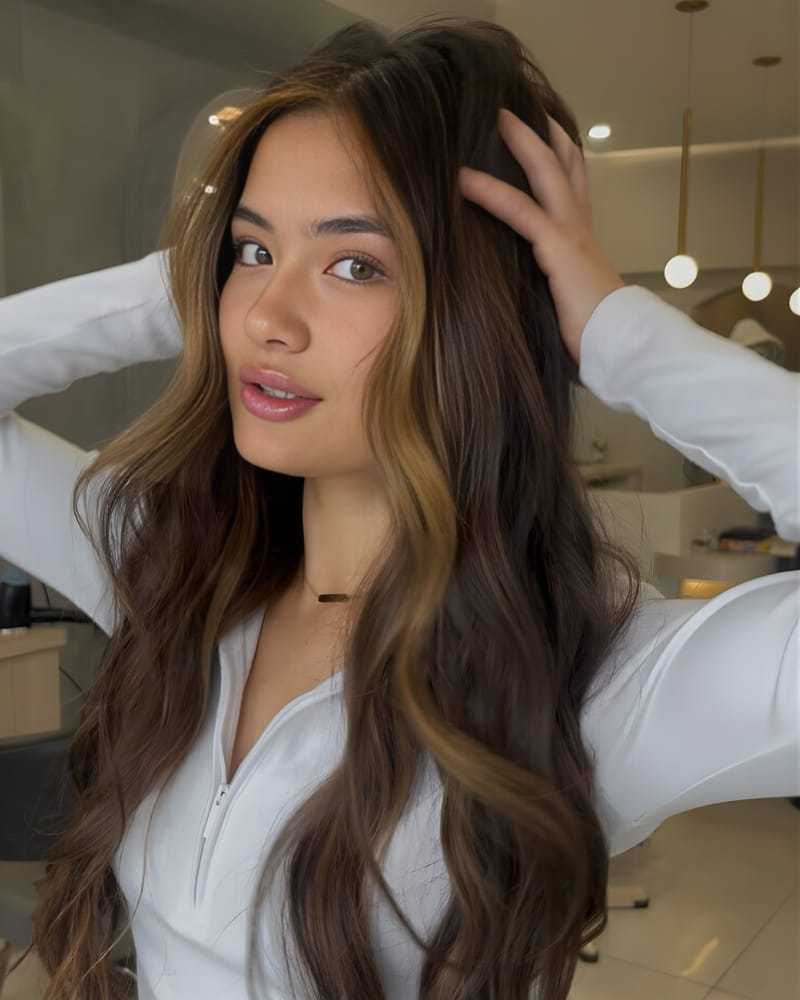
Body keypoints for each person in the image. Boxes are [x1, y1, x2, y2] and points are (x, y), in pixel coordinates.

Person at [1, 14, 797, 1000]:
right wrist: (182, 280)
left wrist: (617, 332)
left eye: (354, 265)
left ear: (474, 314)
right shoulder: (170, 567)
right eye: (254, 251)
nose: (267, 320)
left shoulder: (579, 681)